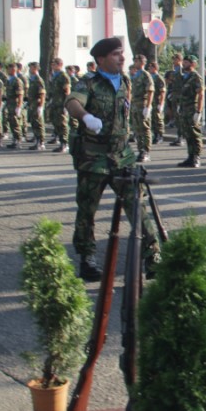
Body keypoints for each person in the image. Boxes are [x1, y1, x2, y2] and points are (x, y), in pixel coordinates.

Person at [65, 36, 159, 281]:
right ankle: (87, 259)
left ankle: (153, 257)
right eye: (116, 54)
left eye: (122, 53)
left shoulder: (126, 81)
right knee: (87, 210)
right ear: (101, 59)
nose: (122, 57)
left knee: (137, 204)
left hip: (122, 156)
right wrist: (86, 117)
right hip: (93, 158)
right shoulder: (89, 83)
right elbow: (72, 102)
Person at [177, 54, 204, 167]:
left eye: (187, 62)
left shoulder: (196, 77)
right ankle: (190, 156)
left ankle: (197, 157)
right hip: (184, 109)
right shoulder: (184, 77)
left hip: (192, 109)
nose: (184, 64)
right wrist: (180, 105)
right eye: (184, 62)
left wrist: (198, 112)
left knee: (195, 134)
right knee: (187, 133)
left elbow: (201, 94)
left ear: (193, 64)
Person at [129, 53, 154, 162]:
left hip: (142, 105)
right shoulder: (135, 75)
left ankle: (146, 151)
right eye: (134, 60)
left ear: (142, 62)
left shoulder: (145, 75)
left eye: (137, 61)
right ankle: (140, 150)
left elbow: (150, 91)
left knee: (145, 129)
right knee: (137, 129)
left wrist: (148, 107)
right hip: (135, 105)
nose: (135, 62)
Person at [26, 62, 47, 150]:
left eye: (31, 68)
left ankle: (41, 142)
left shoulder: (38, 80)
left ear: (35, 68)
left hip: (37, 104)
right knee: (34, 123)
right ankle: (37, 141)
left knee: (38, 123)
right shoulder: (32, 79)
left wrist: (41, 107)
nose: (29, 69)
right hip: (32, 104)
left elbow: (42, 94)